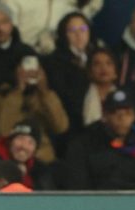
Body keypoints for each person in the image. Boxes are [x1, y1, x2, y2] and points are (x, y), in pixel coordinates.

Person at [65, 88, 135, 190]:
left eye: (127, 113)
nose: (121, 118)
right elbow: (78, 188)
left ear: (134, 116)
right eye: (114, 112)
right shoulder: (84, 145)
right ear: (104, 115)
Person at [0, 54, 69, 163]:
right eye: (26, 68)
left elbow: (61, 126)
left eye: (35, 68)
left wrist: (45, 92)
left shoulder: (44, 96)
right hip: (10, 158)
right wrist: (18, 91)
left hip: (42, 159)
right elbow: (2, 129)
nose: (30, 73)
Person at [42, 11, 99, 152]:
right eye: (72, 30)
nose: (79, 35)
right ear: (64, 34)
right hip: (70, 124)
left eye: (83, 29)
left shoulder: (99, 55)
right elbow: (62, 94)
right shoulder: (54, 61)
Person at [1, 0, 103, 55]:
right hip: (17, 55)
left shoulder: (68, 3)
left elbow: (80, 19)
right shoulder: (14, 2)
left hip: (55, 59)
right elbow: (5, 34)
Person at [0, 120, 57, 189]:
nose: (24, 146)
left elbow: (48, 198)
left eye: (30, 142)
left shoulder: (40, 171)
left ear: (35, 149)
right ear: (10, 142)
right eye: (20, 139)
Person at [81, 46, 118, 127]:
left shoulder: (124, 97)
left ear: (115, 72)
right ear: (90, 72)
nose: (103, 68)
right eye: (97, 64)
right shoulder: (80, 98)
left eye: (109, 63)